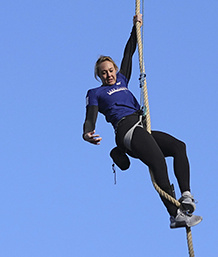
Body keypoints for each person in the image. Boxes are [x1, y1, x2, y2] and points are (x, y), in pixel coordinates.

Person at [83, 16, 202, 229]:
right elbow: (90, 117)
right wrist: (87, 133)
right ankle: (175, 215)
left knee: (178, 146)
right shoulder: (95, 93)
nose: (109, 74)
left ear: (115, 70)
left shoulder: (122, 80)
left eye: (111, 70)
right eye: (104, 72)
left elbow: (129, 52)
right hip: (126, 130)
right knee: (158, 161)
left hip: (141, 127)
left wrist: (134, 27)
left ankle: (186, 195)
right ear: (98, 76)